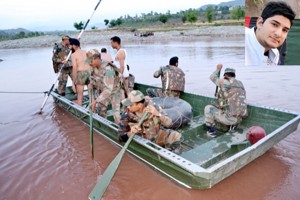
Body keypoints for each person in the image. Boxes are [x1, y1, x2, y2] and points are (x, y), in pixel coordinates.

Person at [118, 90, 182, 153]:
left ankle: (167, 154)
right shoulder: (127, 113)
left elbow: (169, 124)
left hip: (156, 137)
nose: (128, 107)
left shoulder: (152, 106)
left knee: (176, 136)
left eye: (131, 105)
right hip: (139, 140)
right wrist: (130, 133)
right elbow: (120, 137)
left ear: (140, 105)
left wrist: (157, 114)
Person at [245, 1, 295, 66]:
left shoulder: (275, 54)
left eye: (284, 30)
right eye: (274, 24)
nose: (278, 34)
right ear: (260, 23)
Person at [204, 64, 248, 138]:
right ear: (235, 76)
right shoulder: (240, 83)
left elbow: (212, 77)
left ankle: (212, 131)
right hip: (240, 118)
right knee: (226, 107)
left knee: (208, 108)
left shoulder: (224, 82)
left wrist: (218, 69)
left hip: (229, 119)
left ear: (225, 75)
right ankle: (233, 125)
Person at [87, 49, 122, 124]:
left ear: (97, 59)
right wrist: (92, 99)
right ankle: (105, 127)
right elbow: (90, 84)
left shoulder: (108, 69)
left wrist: (95, 101)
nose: (89, 63)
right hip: (102, 92)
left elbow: (108, 90)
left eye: (91, 61)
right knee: (101, 112)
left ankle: (119, 132)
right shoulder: (92, 67)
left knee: (116, 115)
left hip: (114, 92)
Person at [70, 38, 90, 106]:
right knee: (91, 94)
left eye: (71, 45)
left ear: (74, 46)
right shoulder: (86, 52)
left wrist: (73, 82)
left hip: (81, 74)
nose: (70, 47)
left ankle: (80, 111)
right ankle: (93, 111)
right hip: (89, 72)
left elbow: (75, 68)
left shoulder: (73, 55)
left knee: (80, 95)